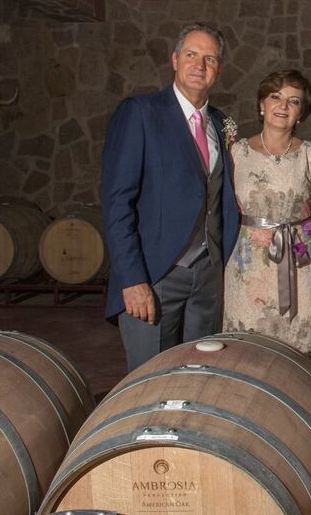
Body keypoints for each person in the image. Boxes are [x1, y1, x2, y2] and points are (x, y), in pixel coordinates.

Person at [101, 23, 239, 372]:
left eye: (209, 58)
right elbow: (118, 202)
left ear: (219, 69)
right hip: (155, 276)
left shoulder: (221, 124)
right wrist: (132, 279)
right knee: (152, 381)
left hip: (207, 277)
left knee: (198, 376)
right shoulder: (141, 112)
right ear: (175, 59)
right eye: (192, 55)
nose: (200, 65)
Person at [222, 70, 311, 367]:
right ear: (262, 104)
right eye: (276, 97)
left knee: (301, 358)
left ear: (301, 112)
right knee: (245, 356)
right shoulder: (236, 153)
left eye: (293, 101)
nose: (283, 106)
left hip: (304, 270)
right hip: (247, 273)